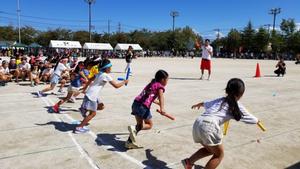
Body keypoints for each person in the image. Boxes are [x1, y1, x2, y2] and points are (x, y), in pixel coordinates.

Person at [182, 78, 261, 169]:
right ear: (241, 94)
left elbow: (206, 103)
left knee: (210, 149)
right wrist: (257, 120)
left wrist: (199, 104)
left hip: (198, 123)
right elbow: (248, 117)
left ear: (227, 90)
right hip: (209, 126)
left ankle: (189, 162)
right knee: (219, 155)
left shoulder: (220, 100)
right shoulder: (236, 105)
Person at [75, 59, 128, 134]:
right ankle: (79, 127)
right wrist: (124, 82)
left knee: (101, 106)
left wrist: (85, 88)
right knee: (93, 114)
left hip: (91, 94)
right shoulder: (106, 76)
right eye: (110, 67)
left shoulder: (99, 73)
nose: (111, 69)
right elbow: (116, 86)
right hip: (92, 96)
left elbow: (90, 79)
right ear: (107, 68)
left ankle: (84, 109)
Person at [125, 70, 169, 149]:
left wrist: (157, 103)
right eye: (167, 79)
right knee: (149, 125)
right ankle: (134, 129)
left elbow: (149, 97)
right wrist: (162, 108)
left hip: (136, 103)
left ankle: (129, 142)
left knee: (139, 125)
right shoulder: (159, 86)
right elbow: (161, 97)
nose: (167, 82)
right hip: (143, 106)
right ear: (163, 79)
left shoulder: (152, 83)